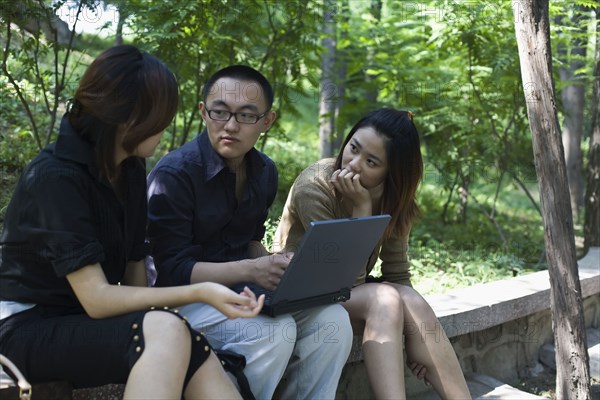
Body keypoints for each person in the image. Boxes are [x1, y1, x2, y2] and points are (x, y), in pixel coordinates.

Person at [0, 45, 264, 400]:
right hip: (25, 328)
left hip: (83, 323)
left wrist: (176, 322)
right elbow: (97, 298)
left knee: (188, 344)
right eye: (160, 115)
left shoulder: (130, 169)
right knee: (168, 330)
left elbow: (135, 271)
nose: (166, 124)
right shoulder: (55, 177)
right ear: (128, 117)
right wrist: (200, 293)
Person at [147, 65, 353, 399]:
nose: (229, 126)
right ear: (203, 112)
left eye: (245, 116)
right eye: (220, 112)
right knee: (275, 331)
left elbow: (249, 242)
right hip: (180, 300)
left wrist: (280, 263)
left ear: (266, 122)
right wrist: (252, 269)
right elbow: (171, 270)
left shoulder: (264, 171)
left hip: (241, 290)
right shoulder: (175, 174)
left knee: (333, 321)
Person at [274, 108, 472, 399]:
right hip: (299, 292)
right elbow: (343, 281)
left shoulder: (394, 196)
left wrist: (414, 336)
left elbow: (398, 275)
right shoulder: (315, 186)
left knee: (410, 300)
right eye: (353, 148)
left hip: (345, 296)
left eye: (371, 161)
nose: (353, 164)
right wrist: (363, 210)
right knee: (384, 299)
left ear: (391, 172)